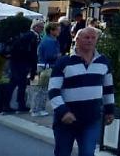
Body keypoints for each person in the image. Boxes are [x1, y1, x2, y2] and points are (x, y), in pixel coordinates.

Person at [49, 27, 115, 156]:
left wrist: (110, 111)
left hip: (91, 119)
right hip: (66, 120)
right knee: (62, 152)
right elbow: (53, 91)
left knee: (87, 153)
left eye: (93, 38)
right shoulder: (64, 62)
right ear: (77, 40)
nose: (90, 41)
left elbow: (108, 89)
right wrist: (63, 112)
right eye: (86, 37)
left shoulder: (103, 62)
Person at [1, 19, 40, 113]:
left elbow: (4, 50)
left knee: (12, 84)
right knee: (21, 85)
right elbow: (33, 54)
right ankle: (20, 105)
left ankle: (6, 105)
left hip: (14, 62)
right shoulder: (31, 37)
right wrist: (33, 69)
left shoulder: (16, 36)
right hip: (24, 63)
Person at [33, 22, 62, 117]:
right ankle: (38, 109)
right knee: (43, 89)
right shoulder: (50, 41)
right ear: (51, 30)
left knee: (41, 89)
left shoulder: (47, 39)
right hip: (46, 67)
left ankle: (37, 108)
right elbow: (49, 56)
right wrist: (58, 55)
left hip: (43, 65)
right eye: (57, 29)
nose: (59, 31)